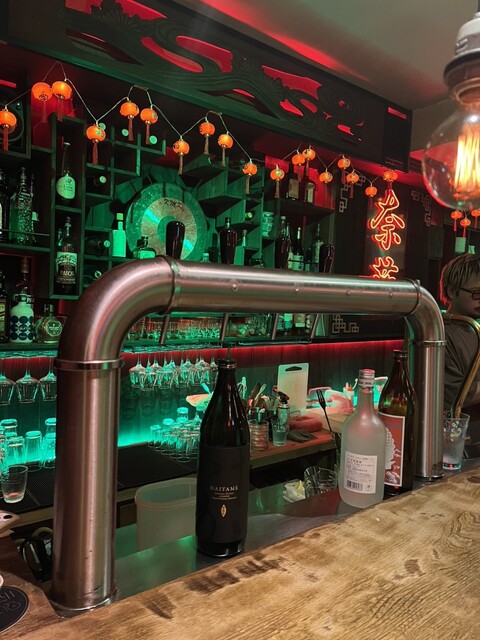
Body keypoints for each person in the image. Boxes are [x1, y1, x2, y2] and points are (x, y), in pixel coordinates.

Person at [440, 253, 480, 456]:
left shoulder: (474, 328)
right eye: (476, 293)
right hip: (461, 447)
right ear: (452, 291)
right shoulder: (440, 333)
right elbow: (455, 395)